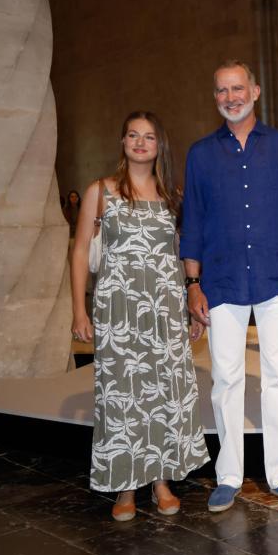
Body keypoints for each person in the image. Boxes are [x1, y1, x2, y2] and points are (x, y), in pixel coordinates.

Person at [181, 59, 278, 513]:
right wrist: (193, 285)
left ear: (254, 92)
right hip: (220, 283)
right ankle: (229, 475)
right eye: (221, 90)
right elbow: (193, 225)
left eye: (237, 88)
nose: (230, 97)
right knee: (226, 380)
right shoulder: (200, 155)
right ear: (215, 96)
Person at [70, 111, 209, 521]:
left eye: (148, 136)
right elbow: (80, 251)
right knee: (122, 396)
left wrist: (191, 303)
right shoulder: (101, 191)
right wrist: (80, 308)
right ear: (123, 141)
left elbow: (183, 253)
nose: (140, 142)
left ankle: (162, 481)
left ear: (158, 145)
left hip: (164, 310)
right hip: (118, 311)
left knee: (163, 392)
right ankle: (125, 487)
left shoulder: (172, 196)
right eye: (133, 135)